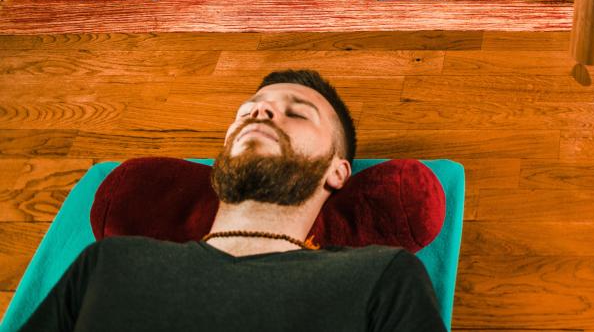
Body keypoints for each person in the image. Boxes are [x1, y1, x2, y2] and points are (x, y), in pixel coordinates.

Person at [20, 70, 446, 332]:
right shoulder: (111, 262)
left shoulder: (380, 277)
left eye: (297, 113)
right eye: (247, 110)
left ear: (338, 172)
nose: (259, 113)